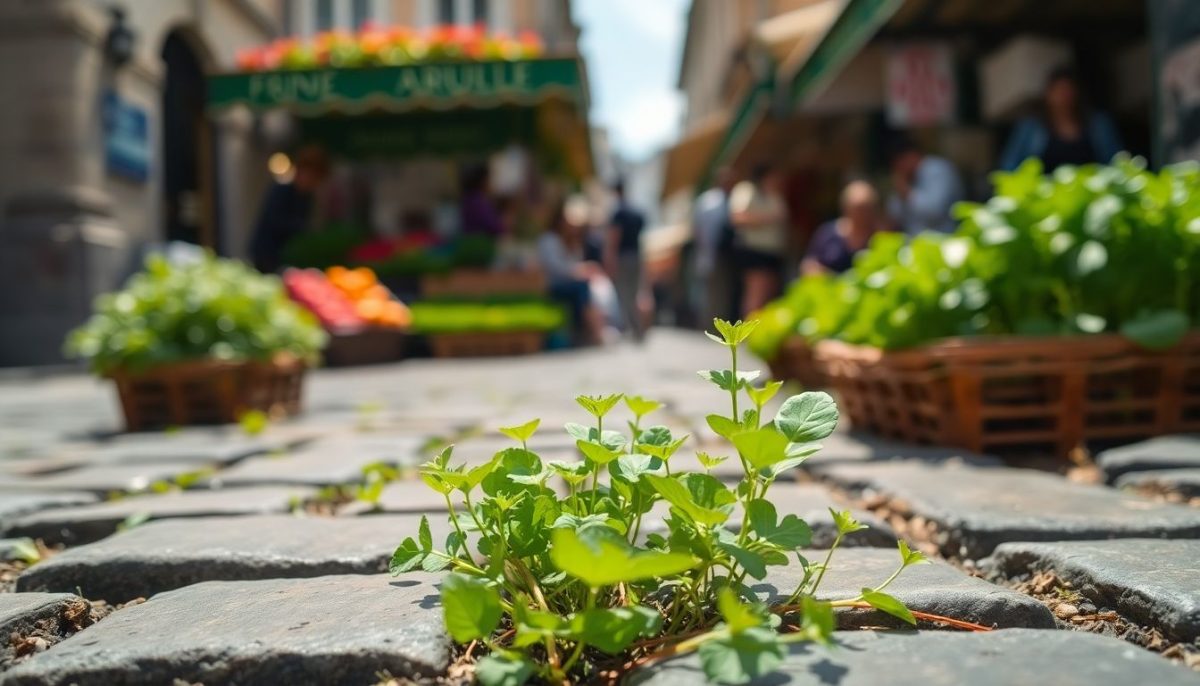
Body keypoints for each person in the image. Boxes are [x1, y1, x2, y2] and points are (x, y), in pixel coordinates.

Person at [999, 66, 1124, 172]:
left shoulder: (1098, 124)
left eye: (1068, 90)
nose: (1064, 96)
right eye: (1059, 90)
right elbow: (1010, 167)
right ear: (1048, 94)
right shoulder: (1030, 128)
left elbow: (1117, 163)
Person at [250, 146, 330, 273]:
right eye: (312, 176)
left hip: (285, 256)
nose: (313, 182)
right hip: (268, 254)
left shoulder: (306, 196)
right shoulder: (283, 190)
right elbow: (275, 221)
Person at [538, 198, 608, 345]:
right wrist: (579, 270)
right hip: (554, 285)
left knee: (590, 289)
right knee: (582, 289)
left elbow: (576, 263)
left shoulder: (572, 241)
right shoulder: (549, 240)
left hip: (571, 284)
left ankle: (593, 330)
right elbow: (556, 267)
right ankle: (595, 332)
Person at [730, 164, 789, 317]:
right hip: (754, 250)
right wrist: (768, 219)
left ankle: (759, 332)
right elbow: (738, 216)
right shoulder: (747, 190)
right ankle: (749, 333)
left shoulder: (774, 194)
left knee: (768, 295)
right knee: (756, 294)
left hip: (773, 252)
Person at [802, 181, 888, 276]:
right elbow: (809, 264)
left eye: (866, 209)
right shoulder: (827, 234)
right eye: (858, 209)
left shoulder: (881, 238)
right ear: (846, 208)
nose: (862, 215)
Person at [886, 137, 964, 235]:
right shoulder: (905, 177)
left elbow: (935, 211)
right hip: (914, 240)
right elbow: (895, 216)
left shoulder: (937, 169)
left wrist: (907, 192)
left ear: (911, 155)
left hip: (943, 239)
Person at [691, 167, 735, 325]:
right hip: (711, 252)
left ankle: (716, 325)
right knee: (712, 292)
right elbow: (697, 229)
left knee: (721, 291)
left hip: (723, 254)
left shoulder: (730, 200)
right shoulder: (709, 201)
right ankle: (709, 325)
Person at [606, 180, 647, 341]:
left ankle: (630, 328)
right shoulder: (637, 212)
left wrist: (610, 258)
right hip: (636, 256)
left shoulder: (618, 213)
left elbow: (615, 237)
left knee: (623, 294)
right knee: (635, 293)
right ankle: (638, 328)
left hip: (623, 257)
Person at [459, 164, 506, 237]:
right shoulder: (478, 201)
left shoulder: (468, 198)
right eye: (489, 179)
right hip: (479, 242)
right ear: (483, 181)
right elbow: (493, 227)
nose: (491, 183)